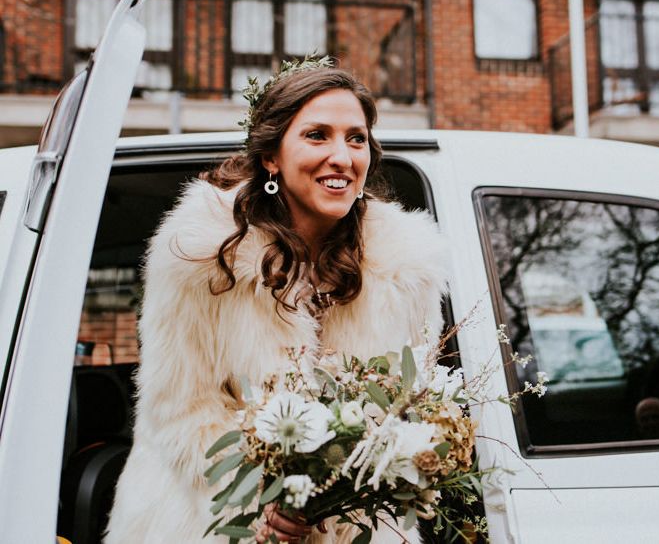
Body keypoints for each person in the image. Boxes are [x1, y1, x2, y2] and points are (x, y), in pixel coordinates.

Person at [105, 61, 449, 544]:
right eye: (317, 135)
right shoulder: (201, 255)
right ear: (271, 156)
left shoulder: (408, 270)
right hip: (207, 518)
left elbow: (404, 414)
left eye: (356, 139)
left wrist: (353, 486)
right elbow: (180, 413)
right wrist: (265, 498)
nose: (342, 156)